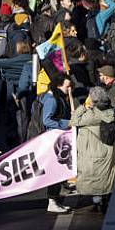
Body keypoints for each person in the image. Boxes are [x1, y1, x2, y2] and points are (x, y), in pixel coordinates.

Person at [72, 87, 115, 212]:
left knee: (94, 178)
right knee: (104, 176)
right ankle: (103, 201)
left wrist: (83, 106)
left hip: (93, 150)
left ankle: (99, 203)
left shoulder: (92, 115)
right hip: (107, 150)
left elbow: (74, 121)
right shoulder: (111, 111)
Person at [40, 77, 74, 213]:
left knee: (57, 169)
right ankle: (52, 201)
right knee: (54, 170)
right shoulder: (52, 100)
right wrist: (66, 124)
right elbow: (47, 120)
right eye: (67, 87)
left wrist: (70, 96)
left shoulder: (55, 97)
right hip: (52, 139)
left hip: (56, 139)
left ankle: (55, 199)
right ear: (58, 86)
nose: (69, 89)